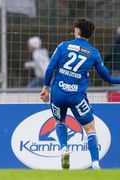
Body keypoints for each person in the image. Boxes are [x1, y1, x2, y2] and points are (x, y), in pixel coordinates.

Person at [40, 18, 120, 170]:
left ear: (77, 31)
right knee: (90, 129)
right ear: (89, 35)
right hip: (77, 97)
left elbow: (50, 68)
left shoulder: (63, 46)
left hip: (58, 94)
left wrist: (45, 87)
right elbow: (107, 78)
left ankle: (64, 149)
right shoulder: (94, 53)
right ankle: (95, 163)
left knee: (59, 122)